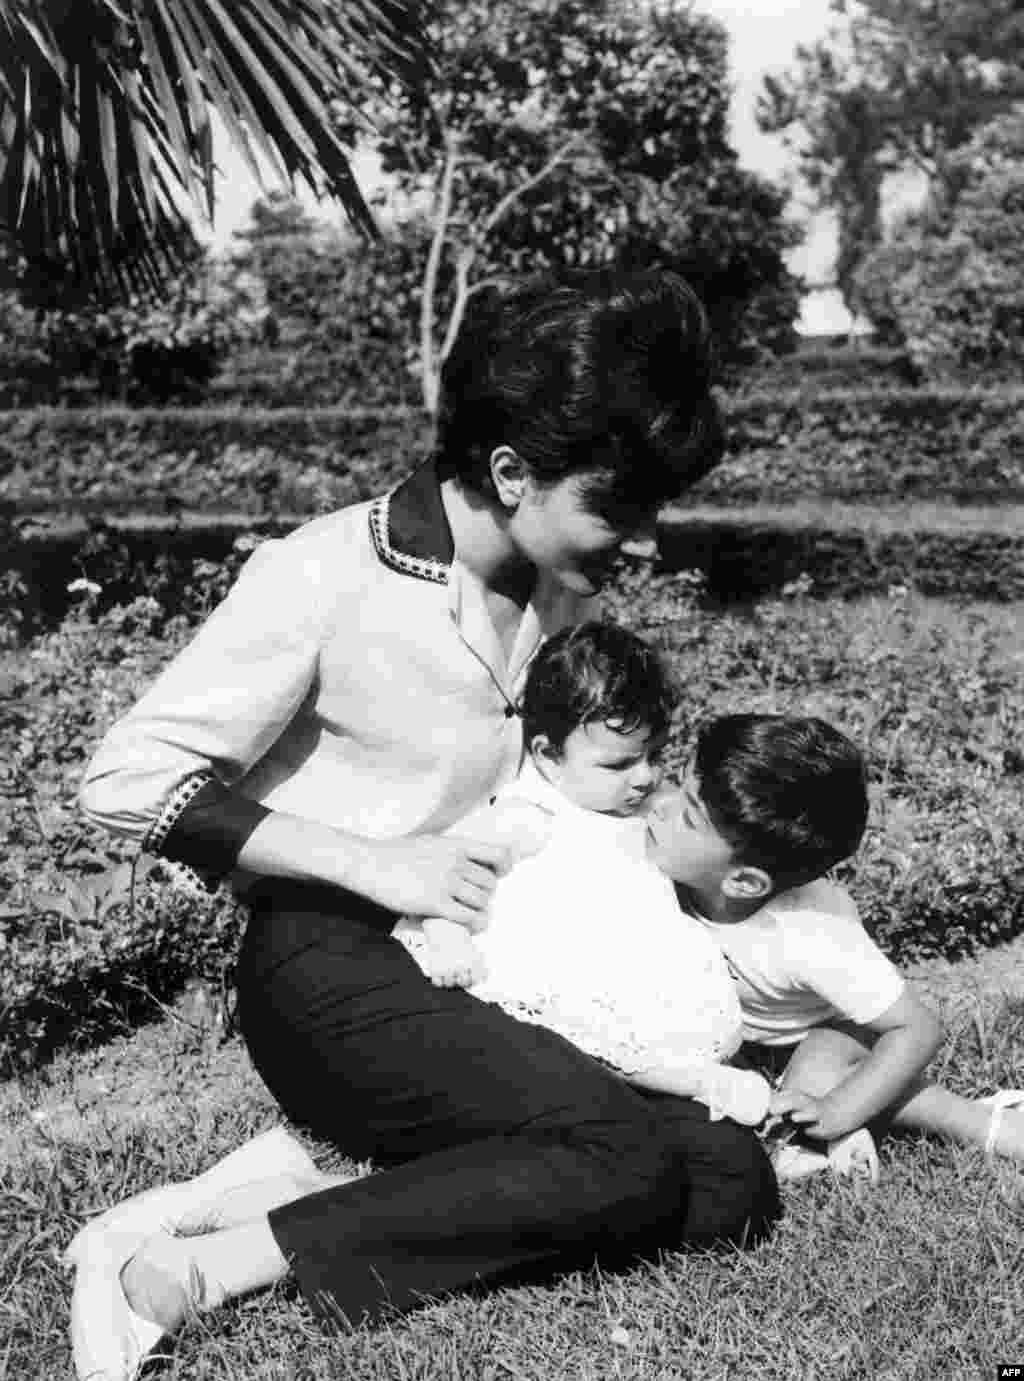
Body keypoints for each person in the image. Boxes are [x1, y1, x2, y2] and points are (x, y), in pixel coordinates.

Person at [70, 271, 780, 1381]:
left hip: (487, 967)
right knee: (622, 1158)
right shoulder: (322, 572)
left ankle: (314, 1186)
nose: (642, 542)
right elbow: (122, 777)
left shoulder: (559, 594)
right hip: (326, 967)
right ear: (509, 470)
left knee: (733, 1178)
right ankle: (181, 1266)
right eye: (618, 508)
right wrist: (370, 860)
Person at [398, 621, 772, 1127]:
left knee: (663, 1025)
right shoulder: (528, 815)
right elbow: (451, 877)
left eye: (653, 755)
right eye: (619, 765)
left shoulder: (635, 816)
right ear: (549, 757)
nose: (644, 777)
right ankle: (693, 1085)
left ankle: (696, 1086)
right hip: (557, 965)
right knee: (578, 1040)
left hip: (630, 964)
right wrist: (447, 939)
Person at [643, 712, 1024, 1178]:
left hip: (832, 1034)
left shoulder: (811, 934)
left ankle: (983, 1125)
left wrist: (838, 1110)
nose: (658, 806)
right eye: (678, 784)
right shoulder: (670, 866)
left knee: (821, 1062)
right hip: (744, 1038)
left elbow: (917, 1030)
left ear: (743, 882)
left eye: (688, 815)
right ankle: (831, 1134)